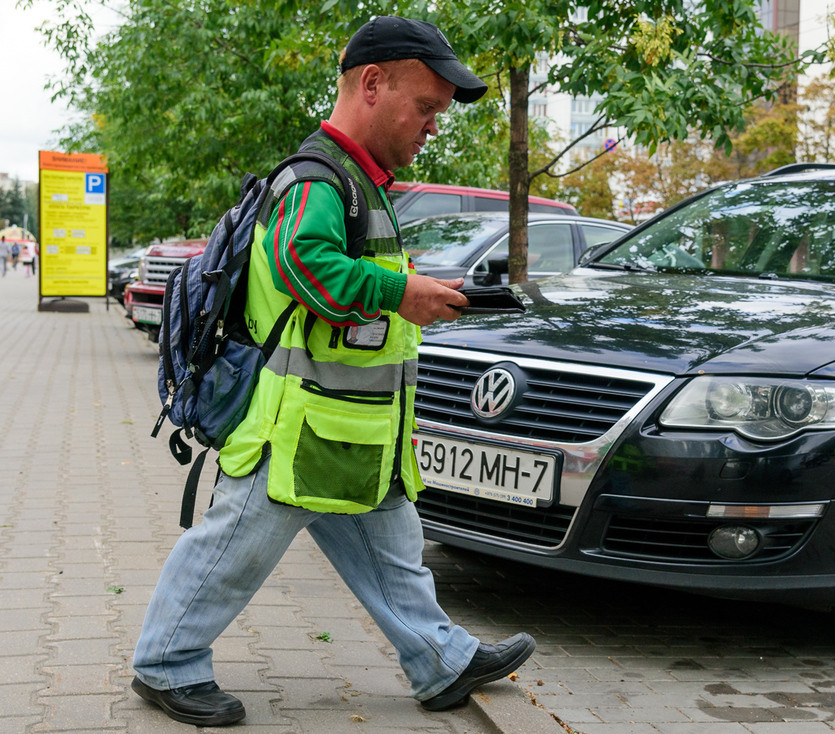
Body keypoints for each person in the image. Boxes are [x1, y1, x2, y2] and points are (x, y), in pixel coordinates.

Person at [130, 16, 535, 727]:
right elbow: (300, 264)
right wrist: (403, 293)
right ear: (372, 85)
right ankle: (165, 664)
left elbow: (351, 286)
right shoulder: (318, 177)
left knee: (396, 552)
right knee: (231, 551)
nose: (432, 125)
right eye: (427, 106)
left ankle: (440, 659)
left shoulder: (359, 183)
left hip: (349, 430)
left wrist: (411, 290)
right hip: (296, 430)